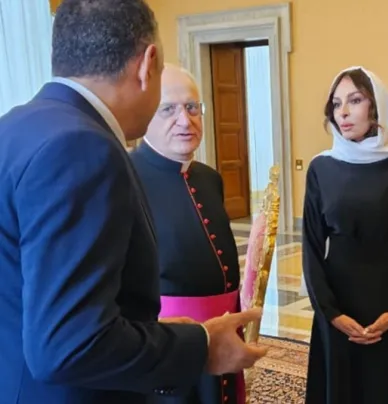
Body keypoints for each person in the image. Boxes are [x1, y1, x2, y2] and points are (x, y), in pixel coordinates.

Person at [0, 1, 266, 402]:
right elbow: (70, 345)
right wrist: (200, 346)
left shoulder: (15, 126)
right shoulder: (82, 146)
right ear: (148, 64)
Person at [302, 66, 388, 404]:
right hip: (338, 299)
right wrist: (330, 312)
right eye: (336, 104)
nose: (343, 113)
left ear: (376, 106)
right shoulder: (321, 167)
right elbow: (311, 246)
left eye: (355, 100)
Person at [130, 64, 247, 404]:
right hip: (167, 344)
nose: (185, 120)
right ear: (146, 114)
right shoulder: (125, 176)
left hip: (222, 331)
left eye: (192, 107)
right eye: (168, 109)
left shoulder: (209, 178)